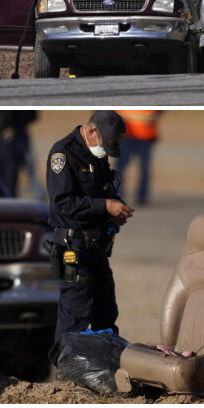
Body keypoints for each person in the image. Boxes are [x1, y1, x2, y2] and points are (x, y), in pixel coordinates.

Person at [46, 111, 134, 342]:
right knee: (76, 316)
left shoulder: (97, 154)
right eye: (106, 145)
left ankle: (102, 368)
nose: (106, 152)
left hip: (96, 248)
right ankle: (67, 372)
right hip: (73, 247)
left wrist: (117, 209)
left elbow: (103, 190)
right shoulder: (63, 153)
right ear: (91, 130)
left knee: (106, 311)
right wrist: (105, 206)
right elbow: (62, 205)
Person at [115, 110, 162, 205]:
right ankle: (118, 195)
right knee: (120, 167)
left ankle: (142, 197)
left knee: (144, 167)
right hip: (125, 135)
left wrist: (156, 115)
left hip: (145, 134)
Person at [0, 110, 38, 197]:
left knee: (18, 164)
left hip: (17, 126)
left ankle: (4, 199)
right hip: (6, 128)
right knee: (7, 166)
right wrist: (6, 125)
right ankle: (5, 200)